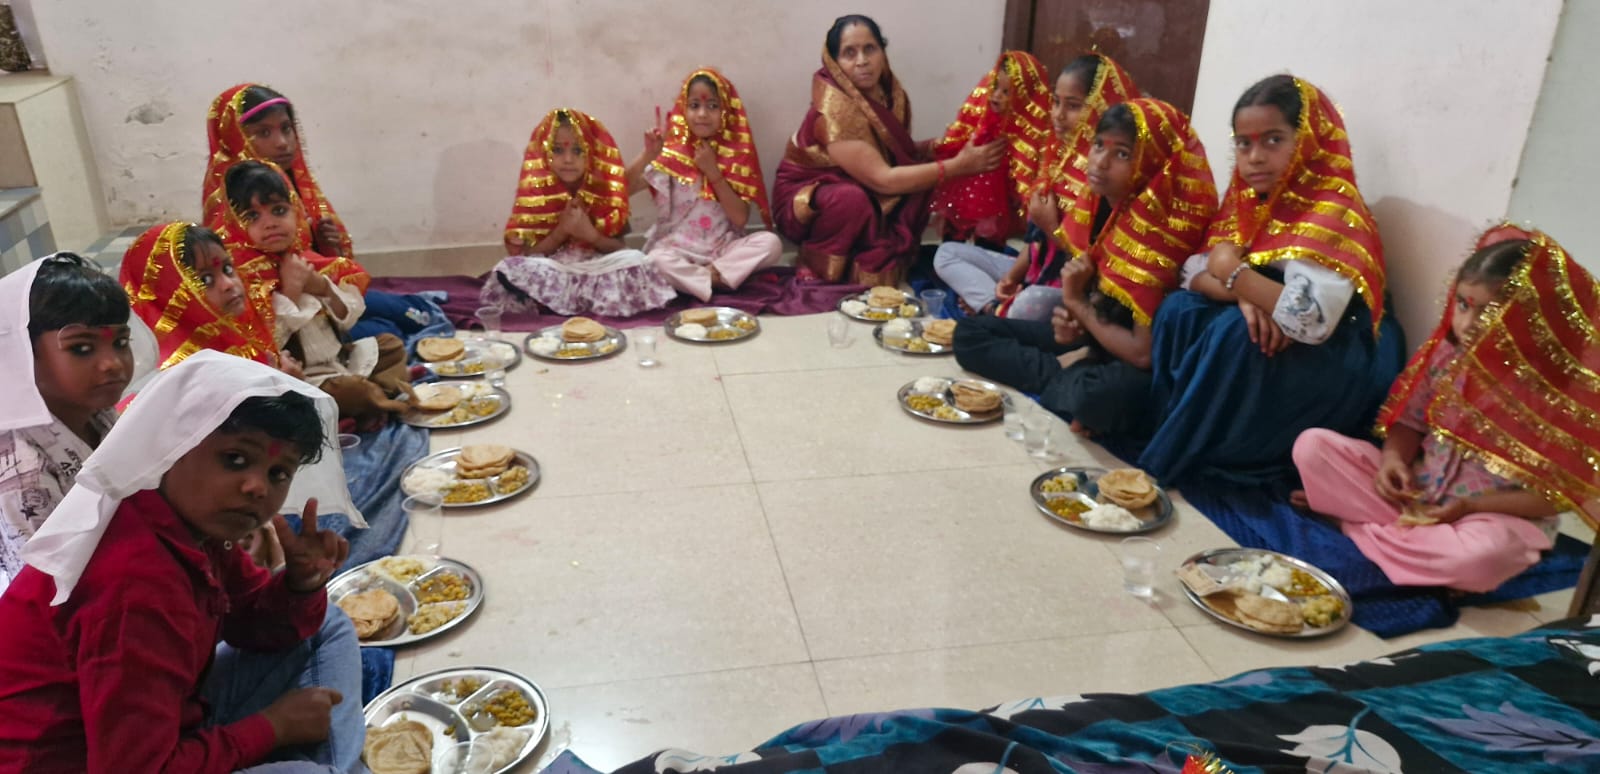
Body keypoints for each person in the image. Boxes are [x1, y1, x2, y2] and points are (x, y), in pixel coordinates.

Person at [0, 351, 366, 772]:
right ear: (171, 448)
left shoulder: (192, 526)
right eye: (235, 459)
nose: (257, 487)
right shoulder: (135, 581)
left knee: (329, 622)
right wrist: (273, 727)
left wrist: (302, 582)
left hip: (163, 723)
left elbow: (253, 626)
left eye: (278, 473)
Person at [1293, 226, 1597, 592]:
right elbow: (1410, 423)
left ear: (1534, 319)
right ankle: (1404, 543)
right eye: (1464, 305)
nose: (1467, 324)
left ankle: (1354, 527)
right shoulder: (1448, 355)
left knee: (1481, 559)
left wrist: (1470, 508)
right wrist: (1392, 461)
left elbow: (1557, 499)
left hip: (1491, 519)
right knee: (1312, 447)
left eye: (1490, 312)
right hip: (1416, 495)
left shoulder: (1559, 397)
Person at [1137, 75, 1405, 486]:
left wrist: (1231, 272)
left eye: (1273, 140)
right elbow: (1190, 272)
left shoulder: (1333, 208)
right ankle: (1176, 435)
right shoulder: (1249, 199)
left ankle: (1186, 454)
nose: (1255, 157)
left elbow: (1308, 320)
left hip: (1345, 349)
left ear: (1309, 140)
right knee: (1179, 310)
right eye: (1244, 143)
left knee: (1235, 335)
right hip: (1279, 318)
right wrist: (1242, 293)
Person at [954, 99, 1216, 440]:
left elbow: (1142, 355)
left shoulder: (1160, 231)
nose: (1100, 162)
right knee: (969, 334)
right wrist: (1074, 326)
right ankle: (1063, 373)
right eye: (1098, 145)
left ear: (1154, 163)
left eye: (1122, 154)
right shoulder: (1099, 205)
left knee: (1100, 396)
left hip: (1135, 366)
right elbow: (1092, 302)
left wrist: (1078, 306)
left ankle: (1069, 380)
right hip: (1098, 343)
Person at [772, 14, 1004, 285]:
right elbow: (883, 179)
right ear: (835, 63)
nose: (862, 61)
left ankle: (873, 252)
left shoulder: (889, 94)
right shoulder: (833, 112)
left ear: (882, 52)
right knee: (851, 199)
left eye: (869, 49)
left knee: (924, 175)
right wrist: (959, 166)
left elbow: (890, 154)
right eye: (849, 53)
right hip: (805, 203)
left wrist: (942, 149)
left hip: (863, 180)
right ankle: (820, 264)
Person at [205, 84, 434, 341]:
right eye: (263, 132)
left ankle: (422, 312)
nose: (282, 143)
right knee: (390, 330)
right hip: (290, 323)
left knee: (403, 314)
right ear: (233, 139)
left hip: (319, 291)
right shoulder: (228, 203)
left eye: (286, 128)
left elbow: (320, 263)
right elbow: (254, 326)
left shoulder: (290, 184)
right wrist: (293, 288)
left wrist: (326, 246)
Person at [934, 54, 1140, 316]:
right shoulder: (1057, 159)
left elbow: (1096, 273)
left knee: (1029, 302)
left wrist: (1051, 228)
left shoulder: (1108, 177)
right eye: (1056, 102)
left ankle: (996, 312)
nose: (1058, 115)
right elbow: (1036, 242)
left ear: (1101, 107)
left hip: (1074, 291)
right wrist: (1010, 278)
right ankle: (993, 307)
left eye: (1073, 106)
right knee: (947, 254)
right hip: (1037, 271)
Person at [0, 254, 134, 594]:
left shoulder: (97, 411)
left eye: (120, 342)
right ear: (23, 355)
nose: (112, 364)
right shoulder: (23, 470)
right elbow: (44, 592)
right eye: (82, 348)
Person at [485, 108, 676, 317]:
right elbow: (529, 253)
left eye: (578, 151)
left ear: (592, 153)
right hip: (555, 268)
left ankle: (559, 303)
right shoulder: (536, 195)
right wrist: (561, 232)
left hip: (598, 268)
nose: (568, 159)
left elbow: (619, 247)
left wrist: (591, 235)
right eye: (558, 150)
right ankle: (581, 301)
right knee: (510, 267)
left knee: (637, 259)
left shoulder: (603, 192)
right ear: (544, 153)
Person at [628, 68, 783, 302]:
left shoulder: (735, 156)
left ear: (726, 111)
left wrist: (713, 172)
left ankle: (698, 281)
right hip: (679, 249)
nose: (702, 114)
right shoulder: (672, 154)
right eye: (694, 105)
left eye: (712, 106)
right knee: (656, 260)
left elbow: (740, 219)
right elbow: (623, 190)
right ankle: (717, 280)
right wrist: (647, 155)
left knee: (771, 243)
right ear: (683, 109)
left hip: (723, 249)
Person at [120, 221, 286, 372]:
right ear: (169, 299)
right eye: (205, 280)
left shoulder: (240, 334)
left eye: (227, 269)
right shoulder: (183, 374)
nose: (228, 284)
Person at [927, 50, 1054, 246]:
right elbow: (960, 139)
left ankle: (983, 257)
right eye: (995, 87)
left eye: (1006, 92)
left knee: (989, 239)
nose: (996, 96)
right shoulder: (981, 116)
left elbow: (1026, 170)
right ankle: (948, 254)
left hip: (996, 198)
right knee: (953, 233)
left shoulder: (1026, 132)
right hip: (965, 188)